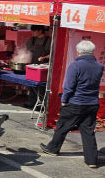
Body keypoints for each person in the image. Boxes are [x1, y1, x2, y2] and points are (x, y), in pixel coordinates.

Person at [41, 40, 103, 168]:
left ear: (79, 51)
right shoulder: (99, 66)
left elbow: (69, 86)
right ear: (92, 51)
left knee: (62, 126)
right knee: (88, 131)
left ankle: (53, 149)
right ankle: (91, 160)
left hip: (75, 102)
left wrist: (64, 99)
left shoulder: (75, 66)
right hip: (91, 103)